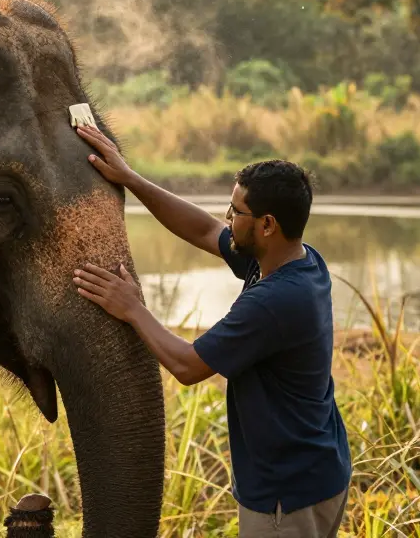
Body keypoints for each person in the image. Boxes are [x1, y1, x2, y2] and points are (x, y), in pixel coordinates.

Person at [71, 123, 351, 538]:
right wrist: (130, 179)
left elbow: (187, 365)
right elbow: (203, 229)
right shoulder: (298, 259)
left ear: (267, 225)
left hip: (286, 495)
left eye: (236, 212)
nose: (228, 219)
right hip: (318, 470)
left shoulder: (275, 301)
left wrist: (132, 308)